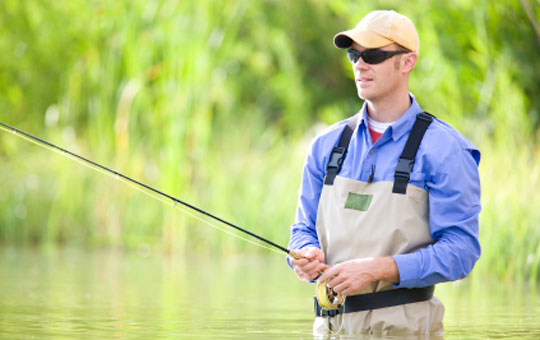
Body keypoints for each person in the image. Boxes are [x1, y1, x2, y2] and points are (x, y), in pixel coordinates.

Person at [288, 9, 481, 336]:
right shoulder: (324, 145)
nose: (360, 65)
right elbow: (302, 229)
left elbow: (461, 252)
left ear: (407, 62)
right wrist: (304, 254)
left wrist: (382, 269)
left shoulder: (446, 150)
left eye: (373, 55)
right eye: (354, 55)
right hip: (329, 329)